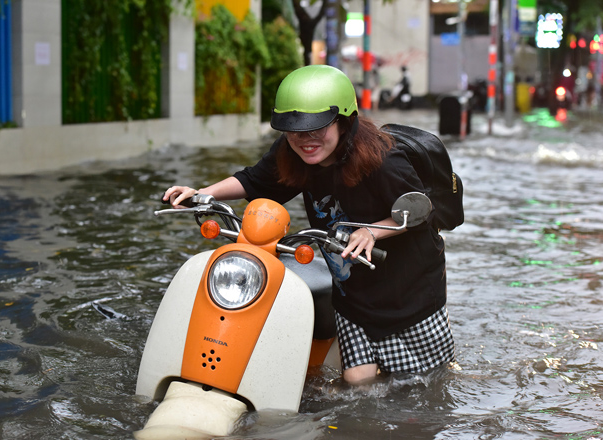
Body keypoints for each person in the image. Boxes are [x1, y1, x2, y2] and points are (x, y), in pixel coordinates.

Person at [163, 65, 455, 384]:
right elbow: (254, 180)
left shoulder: (383, 161)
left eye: (317, 128)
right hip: (353, 293)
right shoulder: (293, 155)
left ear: (344, 122)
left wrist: (372, 230)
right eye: (295, 129)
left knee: (424, 382)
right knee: (358, 382)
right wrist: (202, 194)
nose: (306, 139)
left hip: (409, 291)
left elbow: (418, 210)